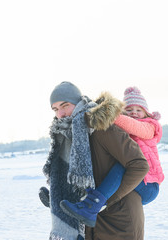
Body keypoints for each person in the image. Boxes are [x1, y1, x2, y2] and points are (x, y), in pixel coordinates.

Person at [40, 81, 149, 240]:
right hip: (90, 226)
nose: (60, 114)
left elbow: (139, 165)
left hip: (120, 222)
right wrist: (58, 196)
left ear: (78, 103)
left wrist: (101, 202)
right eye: (55, 109)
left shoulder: (102, 127)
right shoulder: (66, 137)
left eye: (65, 106)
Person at [59, 86, 164, 228]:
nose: (134, 113)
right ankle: (67, 196)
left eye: (138, 110)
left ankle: (92, 205)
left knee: (123, 166)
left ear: (146, 113)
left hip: (149, 185)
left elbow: (134, 127)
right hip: (137, 182)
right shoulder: (124, 129)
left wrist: (107, 114)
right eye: (129, 110)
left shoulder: (149, 126)